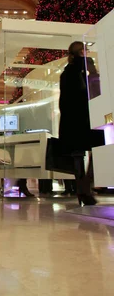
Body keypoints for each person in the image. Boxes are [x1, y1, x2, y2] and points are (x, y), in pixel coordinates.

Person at [59, 41, 97, 206]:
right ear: (81, 52)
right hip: (82, 120)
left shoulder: (70, 72)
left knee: (79, 156)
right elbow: (90, 89)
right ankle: (84, 189)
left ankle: (84, 189)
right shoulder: (78, 71)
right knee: (83, 154)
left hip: (75, 122)